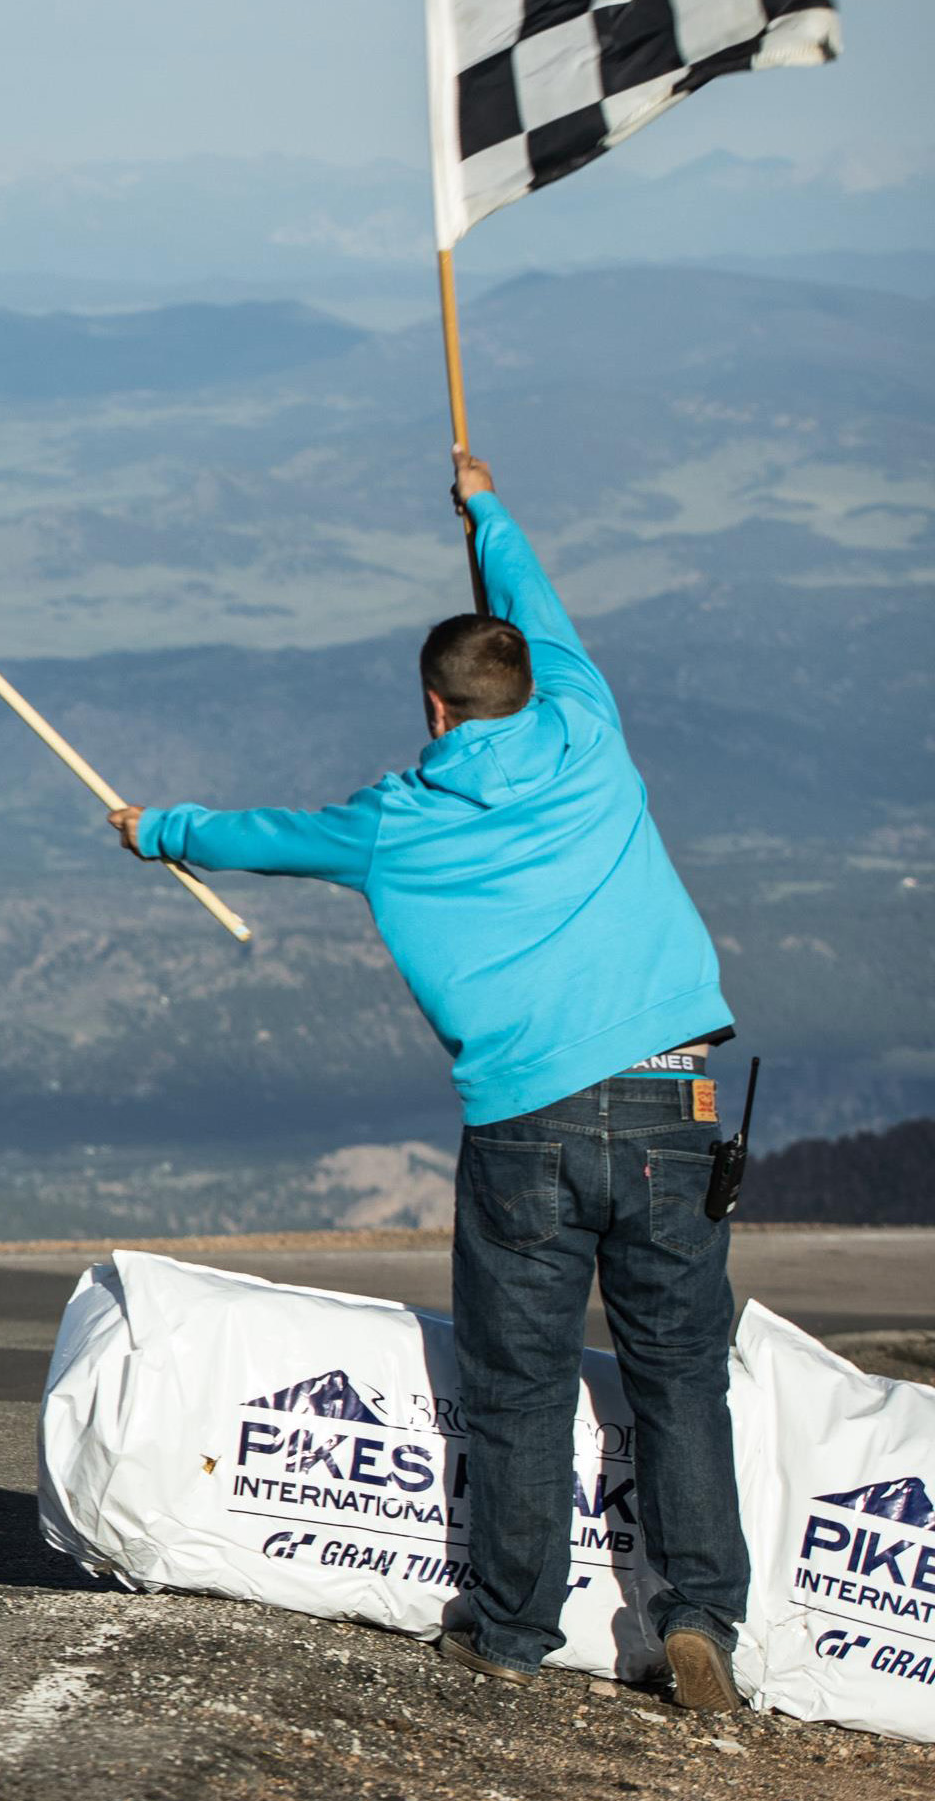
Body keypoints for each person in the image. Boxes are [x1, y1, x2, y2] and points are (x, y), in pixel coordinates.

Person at [107, 452, 744, 1711]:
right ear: (522, 685)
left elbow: (262, 836)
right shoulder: (585, 723)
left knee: (518, 1382)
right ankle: (702, 1614)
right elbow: (540, 611)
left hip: (525, 1123)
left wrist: (156, 830)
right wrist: (490, 507)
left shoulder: (397, 819)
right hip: (677, 1100)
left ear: (437, 710)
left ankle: (511, 1629)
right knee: (680, 1374)